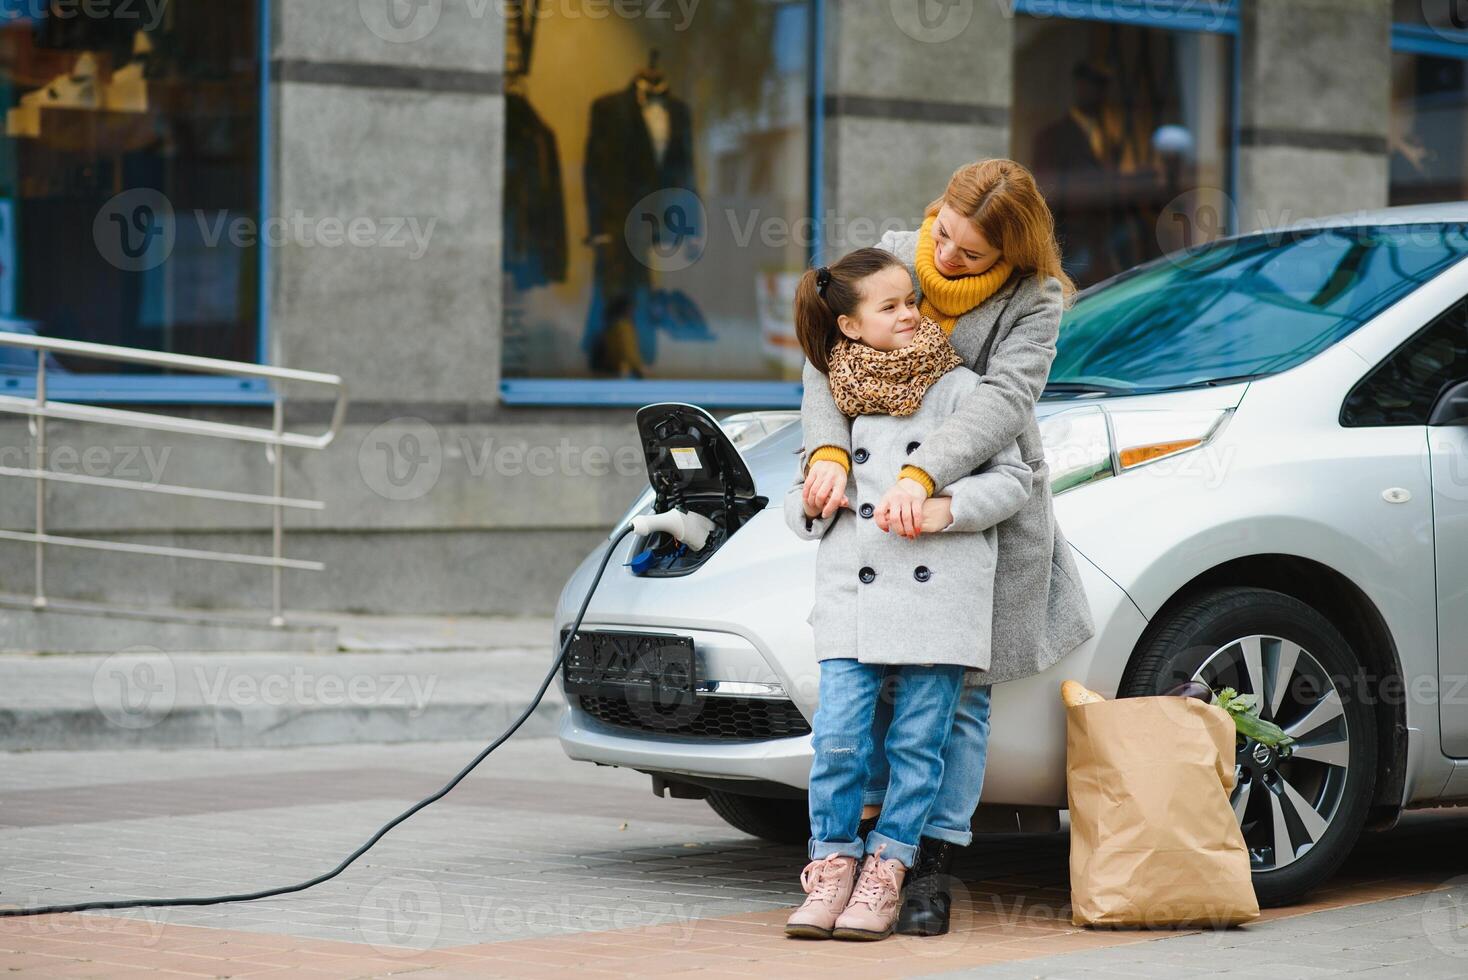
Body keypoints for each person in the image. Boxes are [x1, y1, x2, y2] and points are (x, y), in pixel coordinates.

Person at [799, 159, 1098, 936]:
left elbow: (1005, 401)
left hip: (971, 509)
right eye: (946, 236)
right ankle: (851, 859)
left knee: (957, 700)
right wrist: (827, 454)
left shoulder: (1035, 299)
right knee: (862, 703)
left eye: (971, 253)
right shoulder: (902, 250)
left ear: (1013, 249)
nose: (948, 259)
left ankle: (927, 865)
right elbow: (827, 358)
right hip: (881, 521)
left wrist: (925, 477)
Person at [782, 247, 1032, 942]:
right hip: (852, 599)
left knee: (921, 744)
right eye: (891, 306)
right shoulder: (835, 393)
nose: (913, 315)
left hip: (938, 594)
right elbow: (803, 506)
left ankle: (889, 867)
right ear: (852, 328)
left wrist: (943, 509)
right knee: (837, 740)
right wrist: (813, 496)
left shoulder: (958, 389)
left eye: (912, 301)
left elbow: (1014, 483)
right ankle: (830, 861)